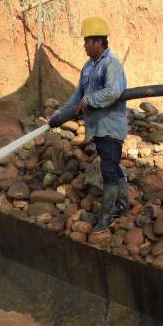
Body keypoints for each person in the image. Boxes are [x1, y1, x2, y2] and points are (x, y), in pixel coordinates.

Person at [48, 16, 129, 233]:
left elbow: (113, 92)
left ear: (98, 42)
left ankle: (108, 215)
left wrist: (89, 101)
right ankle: (123, 205)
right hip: (98, 127)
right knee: (111, 165)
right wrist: (62, 112)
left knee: (109, 168)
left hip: (111, 127)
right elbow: (78, 95)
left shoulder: (112, 65)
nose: (84, 45)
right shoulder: (88, 67)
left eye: (87, 41)